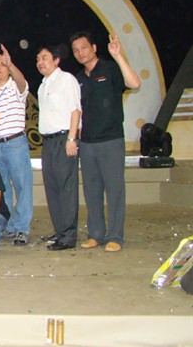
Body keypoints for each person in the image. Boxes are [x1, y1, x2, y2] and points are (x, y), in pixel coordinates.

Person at [71, 32, 141, 252]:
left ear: (94, 47)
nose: (80, 53)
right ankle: (95, 234)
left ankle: (115, 237)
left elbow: (134, 83)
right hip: (87, 143)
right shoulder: (78, 79)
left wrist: (118, 56)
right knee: (92, 191)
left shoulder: (110, 68)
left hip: (111, 140)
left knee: (114, 190)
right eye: (75, 50)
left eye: (84, 47)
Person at [0, 44, 33, 246]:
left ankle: (22, 228)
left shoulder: (15, 86)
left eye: (2, 64)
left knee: (22, 186)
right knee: (2, 188)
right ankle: (10, 226)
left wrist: (11, 64)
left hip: (15, 143)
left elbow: (22, 82)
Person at [36, 46, 81, 251]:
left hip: (64, 139)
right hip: (48, 141)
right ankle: (61, 230)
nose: (40, 62)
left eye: (45, 58)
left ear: (56, 60)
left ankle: (69, 236)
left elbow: (75, 110)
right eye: (38, 59)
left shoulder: (66, 79)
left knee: (66, 188)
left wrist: (72, 138)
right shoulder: (42, 86)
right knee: (52, 188)